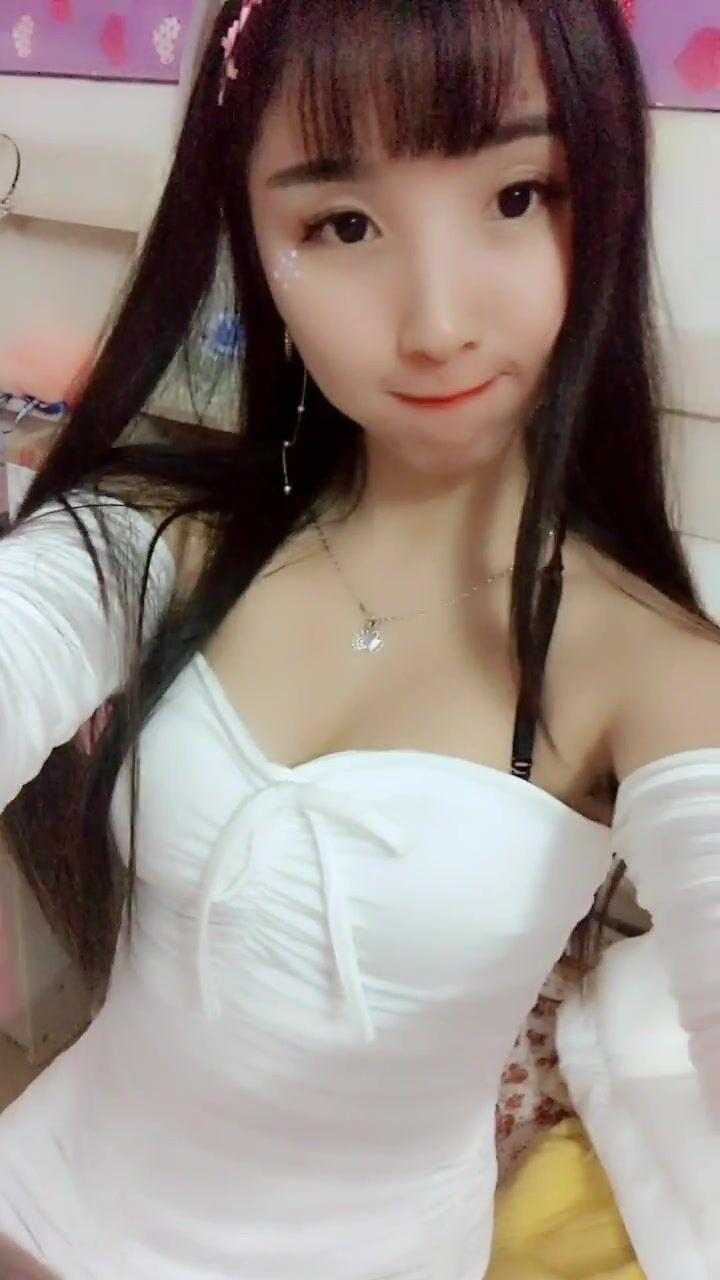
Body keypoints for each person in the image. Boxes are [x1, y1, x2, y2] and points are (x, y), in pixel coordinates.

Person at [0, 1, 719, 1277]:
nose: (436, 319)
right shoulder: (158, 542)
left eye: (516, 197)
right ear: (254, 247)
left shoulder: (652, 670)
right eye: (342, 224)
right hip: (38, 1200)